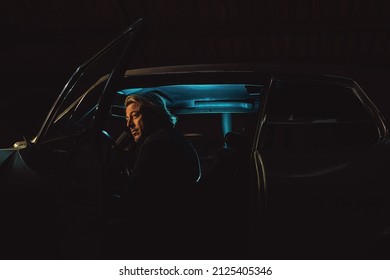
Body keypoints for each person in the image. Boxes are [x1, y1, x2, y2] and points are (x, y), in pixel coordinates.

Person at [110, 91, 201, 258]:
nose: (129, 124)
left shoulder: (158, 144)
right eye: (127, 119)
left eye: (135, 115)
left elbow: (134, 195)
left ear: (155, 114)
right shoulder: (170, 138)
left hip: (164, 232)